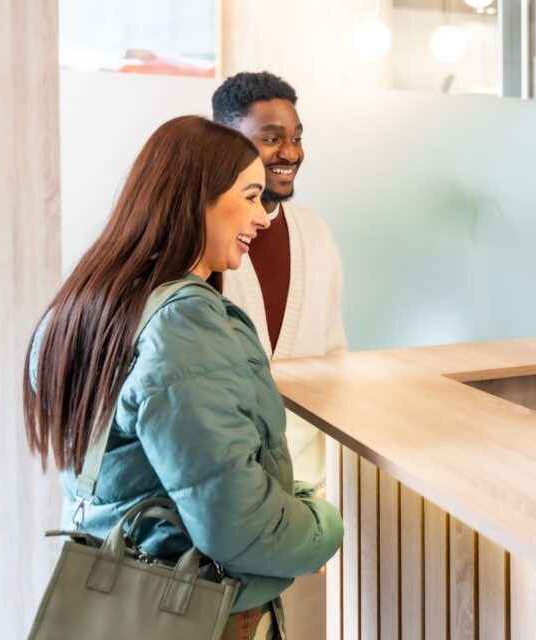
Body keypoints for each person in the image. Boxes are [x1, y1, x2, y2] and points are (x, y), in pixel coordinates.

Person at [23, 115, 344, 638]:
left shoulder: (89, 306)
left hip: (116, 600)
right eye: (250, 196)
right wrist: (323, 519)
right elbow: (239, 527)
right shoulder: (183, 323)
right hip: (200, 613)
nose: (262, 217)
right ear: (197, 198)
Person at [212, 70, 346, 637]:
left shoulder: (315, 234)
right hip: (232, 503)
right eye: (271, 137)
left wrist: (329, 489)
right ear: (227, 140)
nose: (290, 152)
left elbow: (336, 361)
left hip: (308, 495)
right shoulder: (205, 242)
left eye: (296, 136)